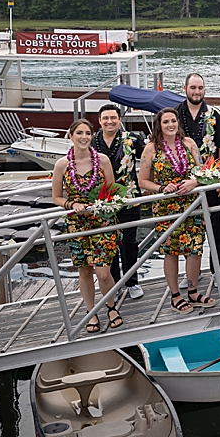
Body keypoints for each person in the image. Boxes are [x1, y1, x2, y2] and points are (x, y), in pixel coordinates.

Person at [138, 107, 214, 314]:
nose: (170, 125)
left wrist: (194, 181)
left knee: (195, 250)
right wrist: (162, 188)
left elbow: (203, 171)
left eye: (173, 121)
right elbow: (143, 181)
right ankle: (175, 295)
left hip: (192, 204)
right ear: (159, 125)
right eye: (166, 122)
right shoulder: (151, 149)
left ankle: (193, 291)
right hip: (166, 208)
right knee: (171, 252)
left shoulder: (189, 144)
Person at [51, 119, 123, 334]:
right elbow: (55, 197)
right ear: (71, 136)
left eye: (88, 133)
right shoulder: (61, 164)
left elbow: (112, 191)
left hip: (102, 221)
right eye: (79, 133)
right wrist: (72, 204)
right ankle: (91, 312)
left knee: (103, 272)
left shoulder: (102, 160)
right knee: (84, 270)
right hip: (77, 223)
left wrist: (106, 209)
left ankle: (110, 307)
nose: (84, 137)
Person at [175, 73, 220, 281]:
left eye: (200, 88)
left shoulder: (214, 114)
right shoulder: (174, 115)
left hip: (211, 180)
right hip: (184, 182)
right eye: (193, 87)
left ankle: (217, 271)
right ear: (185, 88)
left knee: (216, 229)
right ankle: (192, 274)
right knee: (188, 228)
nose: (197, 91)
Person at [93, 104, 145, 299]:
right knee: (109, 244)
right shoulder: (91, 143)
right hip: (102, 202)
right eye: (105, 118)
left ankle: (132, 282)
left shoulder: (131, 140)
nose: (109, 121)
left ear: (119, 119)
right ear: (99, 121)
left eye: (113, 118)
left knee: (129, 243)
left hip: (129, 198)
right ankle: (113, 285)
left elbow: (149, 158)